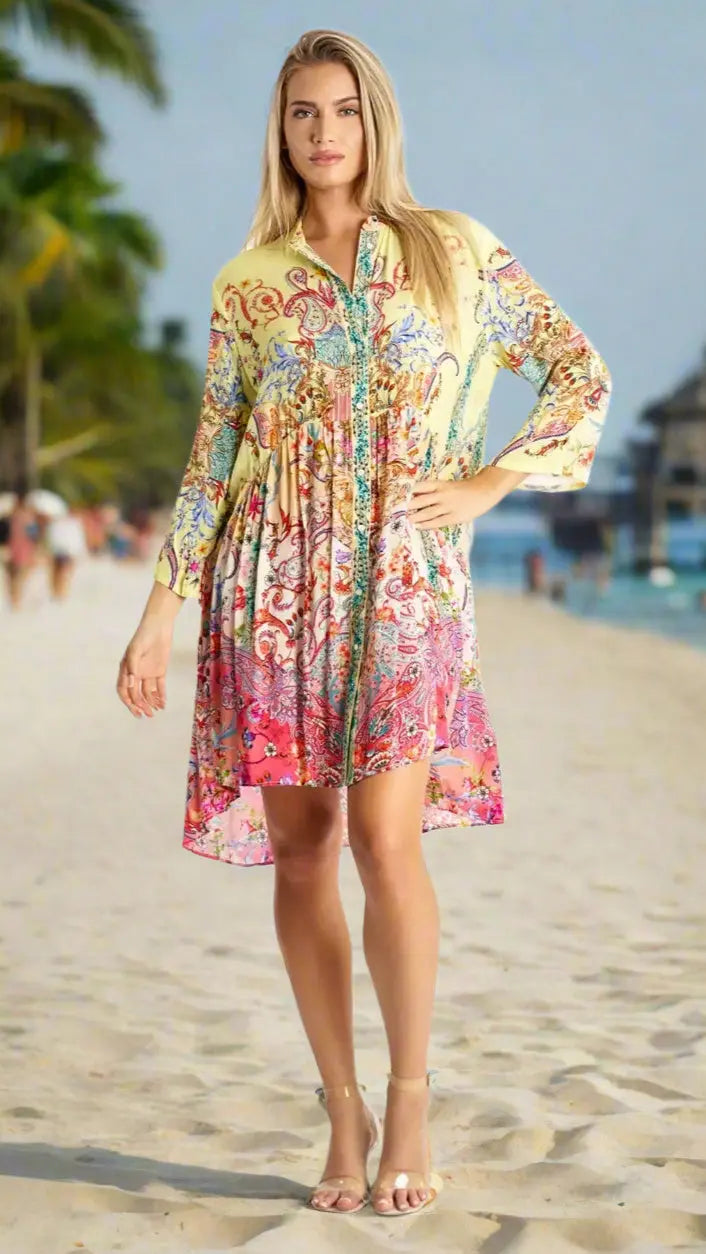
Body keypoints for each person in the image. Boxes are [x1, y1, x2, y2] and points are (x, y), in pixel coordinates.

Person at [116, 29, 612, 1217]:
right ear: (280, 130)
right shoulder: (249, 284)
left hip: (403, 590)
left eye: (342, 109)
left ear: (374, 121)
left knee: (388, 843)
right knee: (302, 853)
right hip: (270, 596)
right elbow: (215, 462)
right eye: (303, 113)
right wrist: (156, 616)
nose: (324, 132)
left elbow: (577, 372)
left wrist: (490, 484)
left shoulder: (452, 250)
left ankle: (410, 1104)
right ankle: (341, 1111)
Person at [4, 487, 40, 611]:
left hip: (10, 548)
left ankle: (14, 598)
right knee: (19, 575)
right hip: (23, 549)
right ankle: (16, 598)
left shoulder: (8, 517)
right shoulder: (29, 518)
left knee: (12, 575)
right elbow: (34, 536)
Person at [45, 504, 88, 601]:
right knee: (59, 572)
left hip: (66, 551)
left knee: (62, 572)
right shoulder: (59, 523)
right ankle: (58, 592)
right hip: (61, 551)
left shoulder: (72, 524)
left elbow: (79, 539)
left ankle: (60, 592)